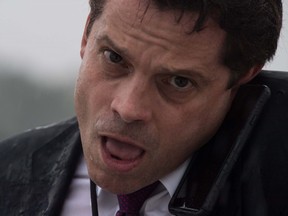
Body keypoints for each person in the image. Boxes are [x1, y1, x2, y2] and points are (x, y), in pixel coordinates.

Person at [0, 0, 287, 215]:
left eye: (178, 81)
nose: (128, 108)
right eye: (114, 58)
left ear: (243, 77)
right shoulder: (8, 172)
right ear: (86, 35)